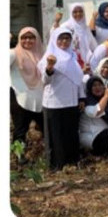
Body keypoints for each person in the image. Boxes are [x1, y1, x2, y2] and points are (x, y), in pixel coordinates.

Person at [38, 27, 85, 170]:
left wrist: (81, 97)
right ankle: (55, 166)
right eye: (61, 39)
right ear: (55, 40)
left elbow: (78, 79)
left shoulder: (72, 57)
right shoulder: (48, 58)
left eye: (67, 38)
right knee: (55, 136)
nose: (64, 41)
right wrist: (50, 68)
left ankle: (71, 163)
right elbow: (45, 81)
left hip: (71, 102)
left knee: (70, 134)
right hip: (54, 104)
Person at [10, 27, 44, 145]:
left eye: (31, 37)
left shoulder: (40, 53)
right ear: (19, 39)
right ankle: (20, 156)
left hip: (39, 96)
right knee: (21, 129)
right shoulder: (13, 53)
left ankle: (47, 154)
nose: (28, 40)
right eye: (24, 37)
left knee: (45, 127)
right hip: (20, 97)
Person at [79, 76, 108, 156]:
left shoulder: (106, 102)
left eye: (99, 85)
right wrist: (106, 96)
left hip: (105, 133)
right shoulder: (87, 102)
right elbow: (97, 112)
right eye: (94, 85)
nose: (97, 88)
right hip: (93, 136)